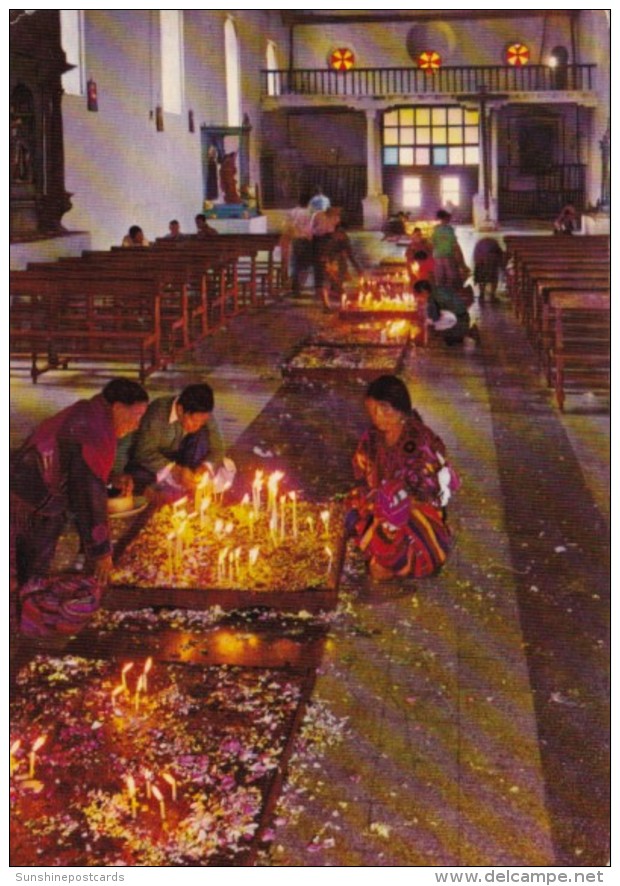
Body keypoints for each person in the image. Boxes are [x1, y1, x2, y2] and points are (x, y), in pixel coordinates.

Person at [10, 378, 149, 589]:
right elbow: (88, 497)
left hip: (26, 486)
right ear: (119, 408)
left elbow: (77, 463)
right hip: (33, 501)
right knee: (32, 573)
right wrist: (101, 551)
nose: (137, 425)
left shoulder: (91, 412)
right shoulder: (96, 432)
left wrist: (110, 477)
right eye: (136, 416)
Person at [346, 375, 459, 582]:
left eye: (383, 409)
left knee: (389, 553)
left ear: (400, 408)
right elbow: (360, 473)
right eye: (372, 411)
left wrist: (391, 504)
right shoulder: (372, 438)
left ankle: (399, 556)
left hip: (414, 514)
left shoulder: (420, 440)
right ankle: (384, 552)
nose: (377, 416)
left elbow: (430, 492)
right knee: (351, 511)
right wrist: (371, 498)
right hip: (381, 508)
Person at [124, 383, 231, 498]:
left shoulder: (203, 414)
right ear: (180, 410)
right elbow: (143, 452)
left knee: (203, 436)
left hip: (186, 461)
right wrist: (175, 470)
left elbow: (218, 447)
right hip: (158, 464)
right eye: (194, 421)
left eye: (202, 422)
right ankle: (173, 489)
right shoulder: (157, 414)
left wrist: (204, 468)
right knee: (137, 477)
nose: (198, 425)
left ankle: (189, 485)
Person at [414, 279, 477, 346]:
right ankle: (462, 332)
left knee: (433, 327)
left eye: (419, 295)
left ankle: (467, 332)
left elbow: (435, 318)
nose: (419, 297)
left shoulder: (432, 298)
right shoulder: (437, 289)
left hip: (459, 321)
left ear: (424, 291)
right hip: (464, 317)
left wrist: (424, 322)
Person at [282, 192, 314, 297]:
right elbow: (313, 228)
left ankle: (295, 288)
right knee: (305, 265)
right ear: (309, 202)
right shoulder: (310, 213)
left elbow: (287, 226)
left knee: (296, 265)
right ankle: (300, 286)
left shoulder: (293, 212)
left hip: (295, 240)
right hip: (306, 241)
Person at [321, 223, 363, 302]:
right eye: (339, 233)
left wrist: (358, 270)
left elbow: (350, 256)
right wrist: (329, 264)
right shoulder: (329, 241)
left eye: (342, 233)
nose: (341, 235)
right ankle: (333, 289)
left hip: (339, 261)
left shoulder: (345, 239)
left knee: (341, 271)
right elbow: (325, 255)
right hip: (329, 259)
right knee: (332, 274)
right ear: (335, 233)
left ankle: (337, 288)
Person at [311, 206, 341, 311]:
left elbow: (335, 234)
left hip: (329, 245)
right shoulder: (318, 215)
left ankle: (333, 294)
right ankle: (325, 303)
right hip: (319, 244)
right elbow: (312, 230)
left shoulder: (336, 219)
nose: (337, 212)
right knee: (322, 275)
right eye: (336, 210)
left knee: (331, 272)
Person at [430, 210, 467, 288]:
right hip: (448, 256)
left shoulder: (435, 229)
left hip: (437, 257)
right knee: (450, 279)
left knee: (440, 279)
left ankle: (441, 296)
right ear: (446, 218)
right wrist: (461, 261)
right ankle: (448, 296)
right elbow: (454, 245)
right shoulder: (449, 229)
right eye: (449, 218)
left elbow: (433, 243)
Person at [473, 237, 505, 302]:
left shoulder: (481, 243)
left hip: (481, 259)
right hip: (491, 260)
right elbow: (500, 256)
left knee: (481, 278)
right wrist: (502, 267)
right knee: (493, 277)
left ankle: (481, 293)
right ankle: (492, 295)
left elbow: (476, 256)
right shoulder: (494, 244)